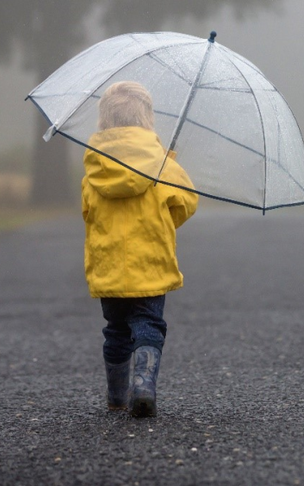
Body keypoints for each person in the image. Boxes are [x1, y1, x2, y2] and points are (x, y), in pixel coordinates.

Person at [81, 80, 198, 417]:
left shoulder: (94, 167)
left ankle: (116, 396)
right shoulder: (162, 165)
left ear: (104, 121)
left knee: (115, 330)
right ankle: (143, 384)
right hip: (150, 263)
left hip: (110, 268)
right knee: (148, 323)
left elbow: (87, 211)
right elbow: (187, 202)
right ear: (148, 120)